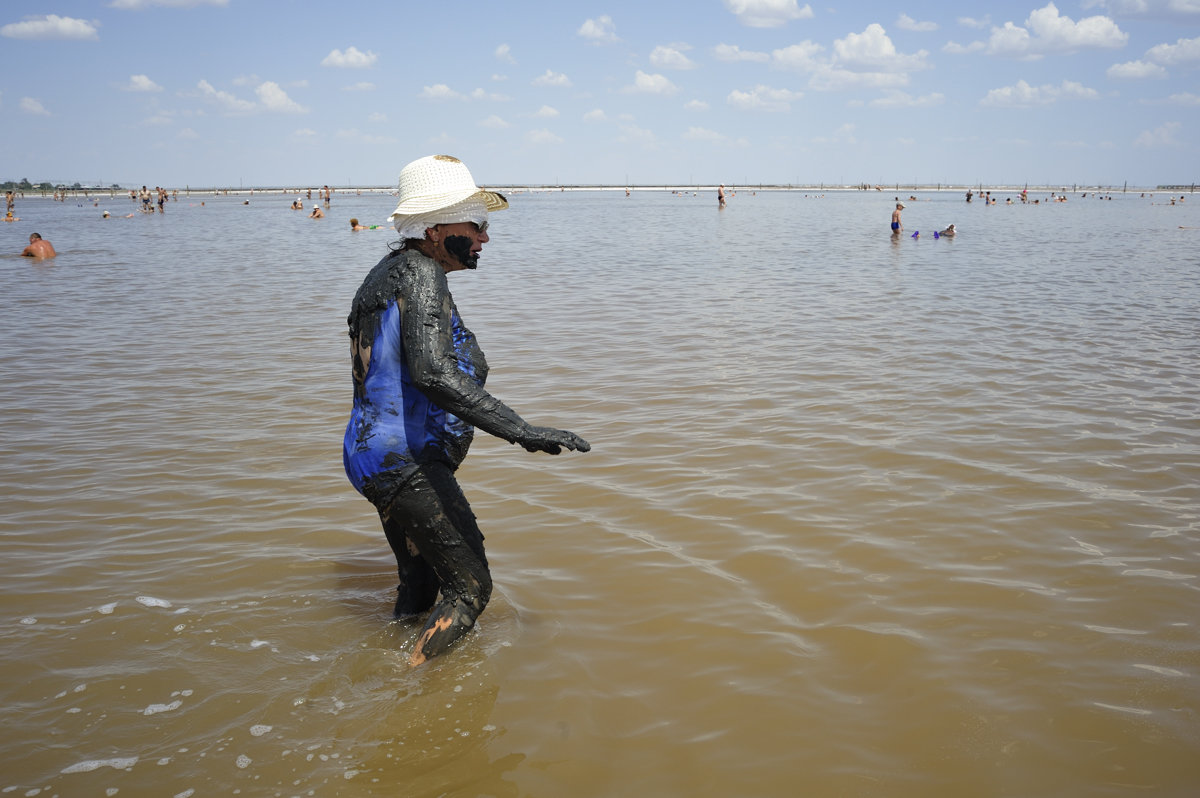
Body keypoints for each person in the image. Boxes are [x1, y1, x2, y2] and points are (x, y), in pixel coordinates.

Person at [343, 154, 590, 666]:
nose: (483, 238)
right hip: (403, 460)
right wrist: (521, 430)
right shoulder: (421, 276)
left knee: (419, 585)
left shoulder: (389, 273)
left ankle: (390, 664)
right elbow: (434, 373)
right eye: (475, 225)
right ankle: (406, 692)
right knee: (471, 590)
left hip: (373, 454)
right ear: (434, 230)